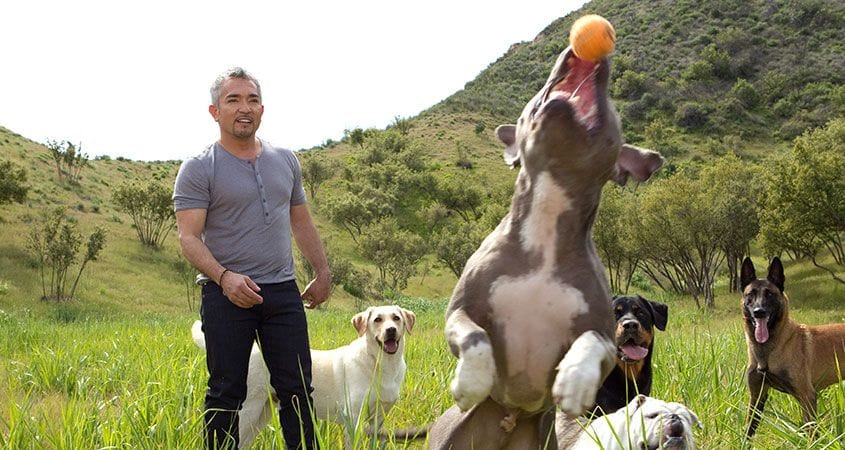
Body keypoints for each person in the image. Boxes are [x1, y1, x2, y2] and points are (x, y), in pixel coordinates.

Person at [173, 67, 331, 449]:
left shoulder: (285, 160)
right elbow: (188, 238)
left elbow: (301, 220)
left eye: (252, 99)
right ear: (215, 111)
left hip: (282, 294)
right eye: (233, 100)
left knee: (296, 389)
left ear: (262, 108)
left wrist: (322, 270)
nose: (245, 108)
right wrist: (225, 278)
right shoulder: (198, 168)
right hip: (225, 296)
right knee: (226, 393)